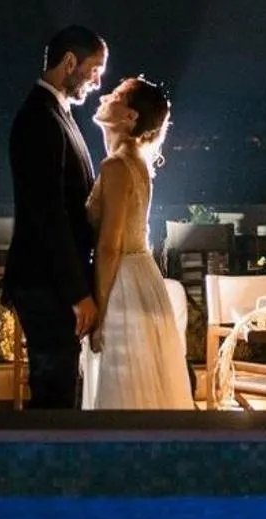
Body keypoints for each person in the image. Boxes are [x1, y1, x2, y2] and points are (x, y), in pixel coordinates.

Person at [4, 25, 108, 409]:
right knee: (53, 390)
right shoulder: (39, 118)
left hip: (52, 282)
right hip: (44, 284)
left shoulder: (57, 113)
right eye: (95, 68)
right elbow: (48, 213)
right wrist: (77, 293)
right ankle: (44, 465)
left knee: (61, 384)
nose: (97, 81)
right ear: (69, 62)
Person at [83, 76, 194, 410]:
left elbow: (109, 246)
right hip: (143, 275)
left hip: (123, 285)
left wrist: (99, 313)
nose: (104, 95)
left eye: (116, 94)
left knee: (123, 380)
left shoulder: (117, 165)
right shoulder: (136, 161)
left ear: (130, 116)